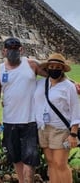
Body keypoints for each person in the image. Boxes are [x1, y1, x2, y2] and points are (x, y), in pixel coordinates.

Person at [0, 37, 47, 183]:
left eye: (16, 49)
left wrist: (72, 84)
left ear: (21, 50)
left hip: (30, 121)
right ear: (4, 51)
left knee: (29, 160)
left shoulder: (32, 64)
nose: (13, 52)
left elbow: (54, 74)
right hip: (10, 121)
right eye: (10, 49)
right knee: (16, 158)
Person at [34, 53, 80, 183]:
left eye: (58, 67)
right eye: (51, 66)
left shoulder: (68, 86)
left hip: (61, 129)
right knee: (51, 162)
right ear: (47, 68)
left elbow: (75, 110)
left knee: (60, 163)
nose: (54, 69)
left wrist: (73, 133)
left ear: (62, 70)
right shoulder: (40, 83)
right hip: (43, 128)